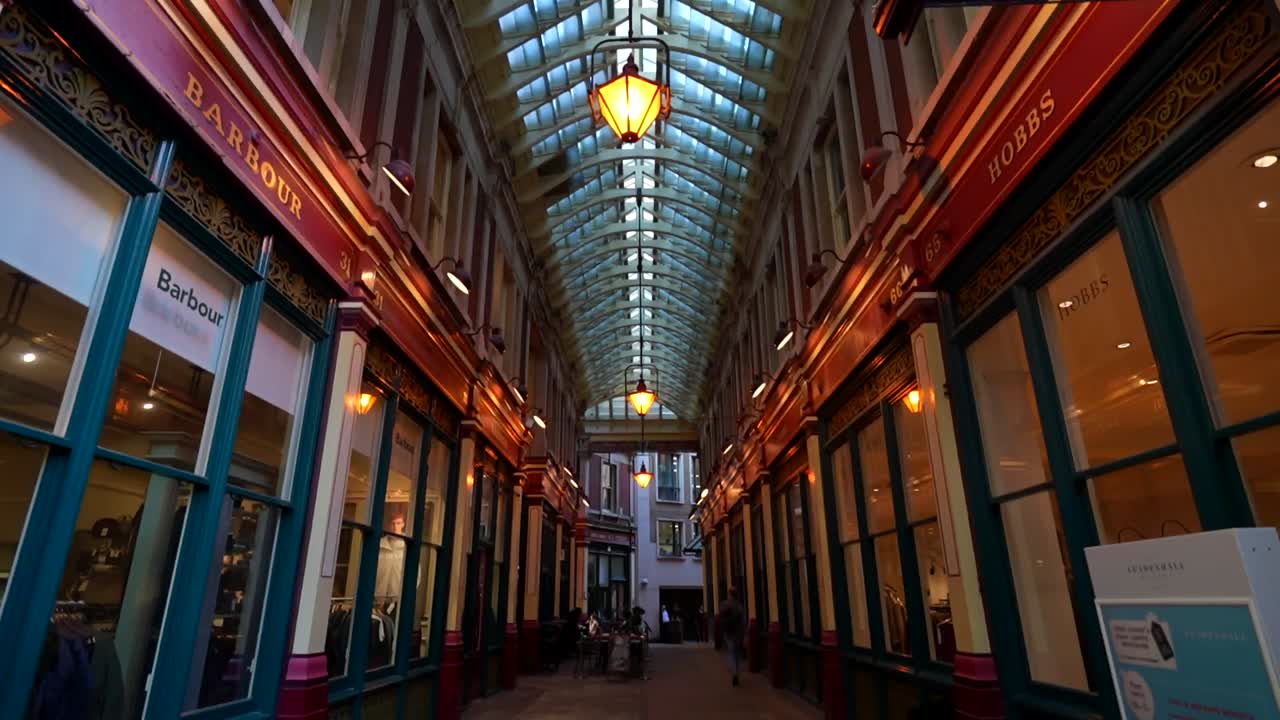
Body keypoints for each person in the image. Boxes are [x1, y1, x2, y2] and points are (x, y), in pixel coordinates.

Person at [718, 588, 745, 686]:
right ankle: (737, 672)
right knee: (737, 653)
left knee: (731, 652)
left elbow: (720, 619)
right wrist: (743, 633)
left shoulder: (724, 604)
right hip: (737, 633)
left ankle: (734, 672)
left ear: (729, 594)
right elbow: (743, 622)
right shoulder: (739, 606)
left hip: (728, 632)